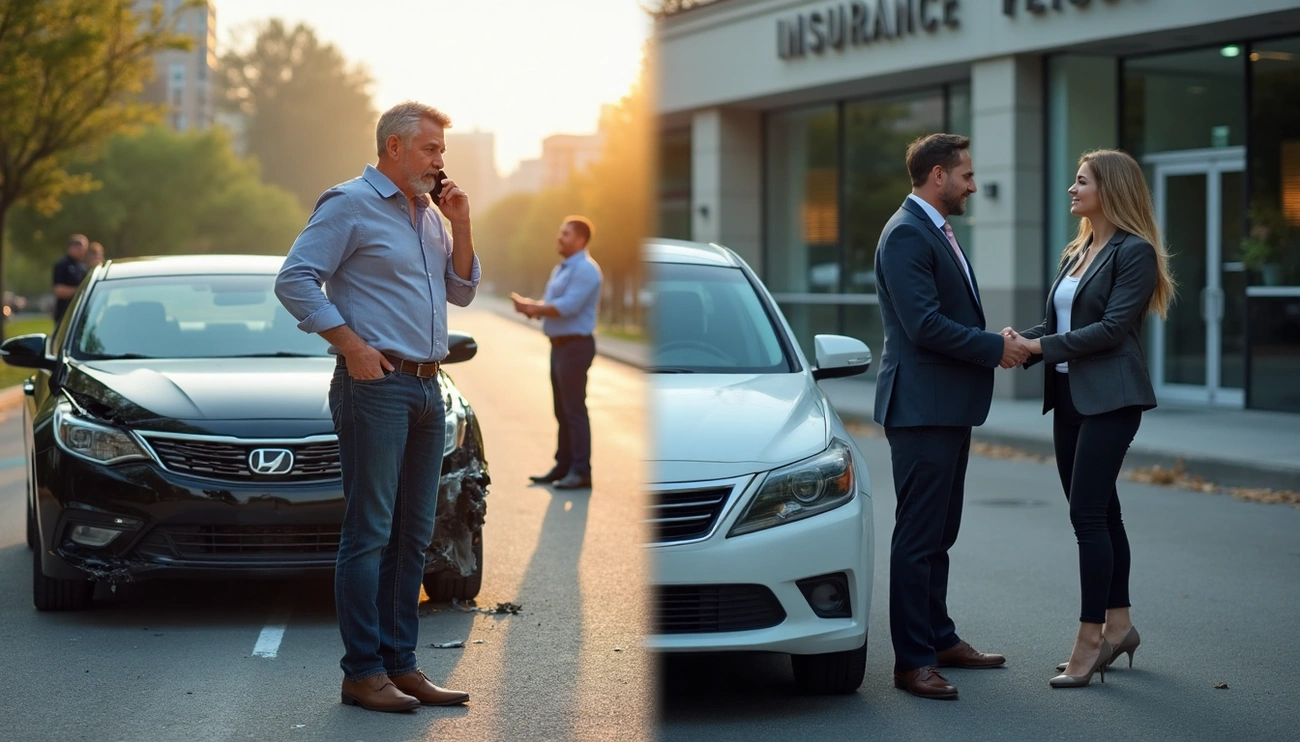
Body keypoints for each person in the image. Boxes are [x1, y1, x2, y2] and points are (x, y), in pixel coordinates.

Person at [275, 101, 479, 713]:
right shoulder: (348, 203)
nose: (440, 160)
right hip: (376, 387)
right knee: (369, 534)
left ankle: (401, 666)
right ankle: (362, 673)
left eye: (442, 150)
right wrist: (351, 345)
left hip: (426, 388)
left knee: (413, 535)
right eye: (431, 149)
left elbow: (462, 291)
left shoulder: (432, 215)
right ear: (394, 147)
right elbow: (295, 279)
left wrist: (463, 223)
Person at [1002, 149, 1173, 688]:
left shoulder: (1135, 252)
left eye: (1081, 182)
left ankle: (1090, 639)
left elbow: (1111, 329)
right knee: (1104, 512)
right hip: (1071, 396)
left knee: (1086, 518)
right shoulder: (1077, 250)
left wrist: (1037, 345)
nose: (1072, 190)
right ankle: (1120, 625)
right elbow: (1062, 321)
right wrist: (1011, 343)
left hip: (1113, 398)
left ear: (1111, 189)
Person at [873, 133, 1027, 701]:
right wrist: (994, 348)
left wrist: (1002, 342)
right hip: (920, 410)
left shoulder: (931, 229)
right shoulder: (907, 233)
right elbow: (924, 325)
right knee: (917, 539)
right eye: (965, 174)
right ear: (938, 175)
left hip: (943, 408)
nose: (972, 183)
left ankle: (938, 639)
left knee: (940, 533)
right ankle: (912, 662)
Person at [511, 216, 603, 491]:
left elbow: (568, 306)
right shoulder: (563, 268)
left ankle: (581, 471)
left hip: (576, 346)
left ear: (580, 240)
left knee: (574, 410)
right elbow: (555, 306)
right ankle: (563, 466)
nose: (559, 237)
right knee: (562, 411)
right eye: (560, 232)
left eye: (565, 234)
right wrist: (535, 311)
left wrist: (532, 307)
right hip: (561, 345)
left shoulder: (586, 269)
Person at [52, 234, 89, 325]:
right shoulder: (62, 265)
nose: (83, 252)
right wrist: (79, 291)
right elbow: (58, 290)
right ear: (73, 247)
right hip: (65, 313)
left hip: (80, 313)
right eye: (81, 249)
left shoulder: (82, 266)